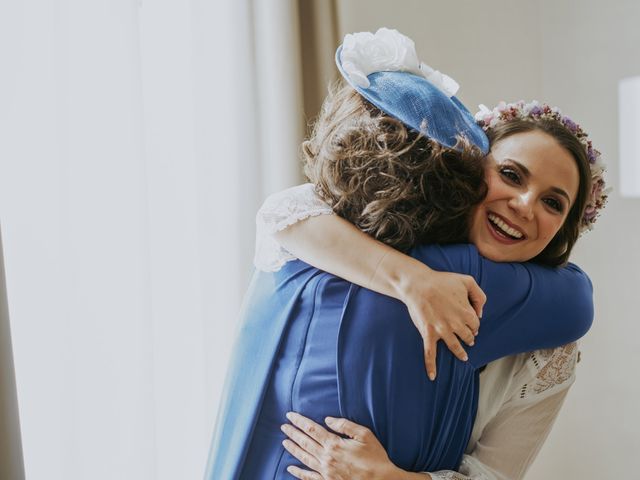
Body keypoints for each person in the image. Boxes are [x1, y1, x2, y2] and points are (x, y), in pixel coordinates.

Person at [204, 29, 604, 479]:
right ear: (468, 168)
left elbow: (497, 473)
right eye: (511, 175)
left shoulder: (550, 329)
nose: (525, 206)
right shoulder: (355, 231)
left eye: (553, 203)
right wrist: (410, 279)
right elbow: (282, 211)